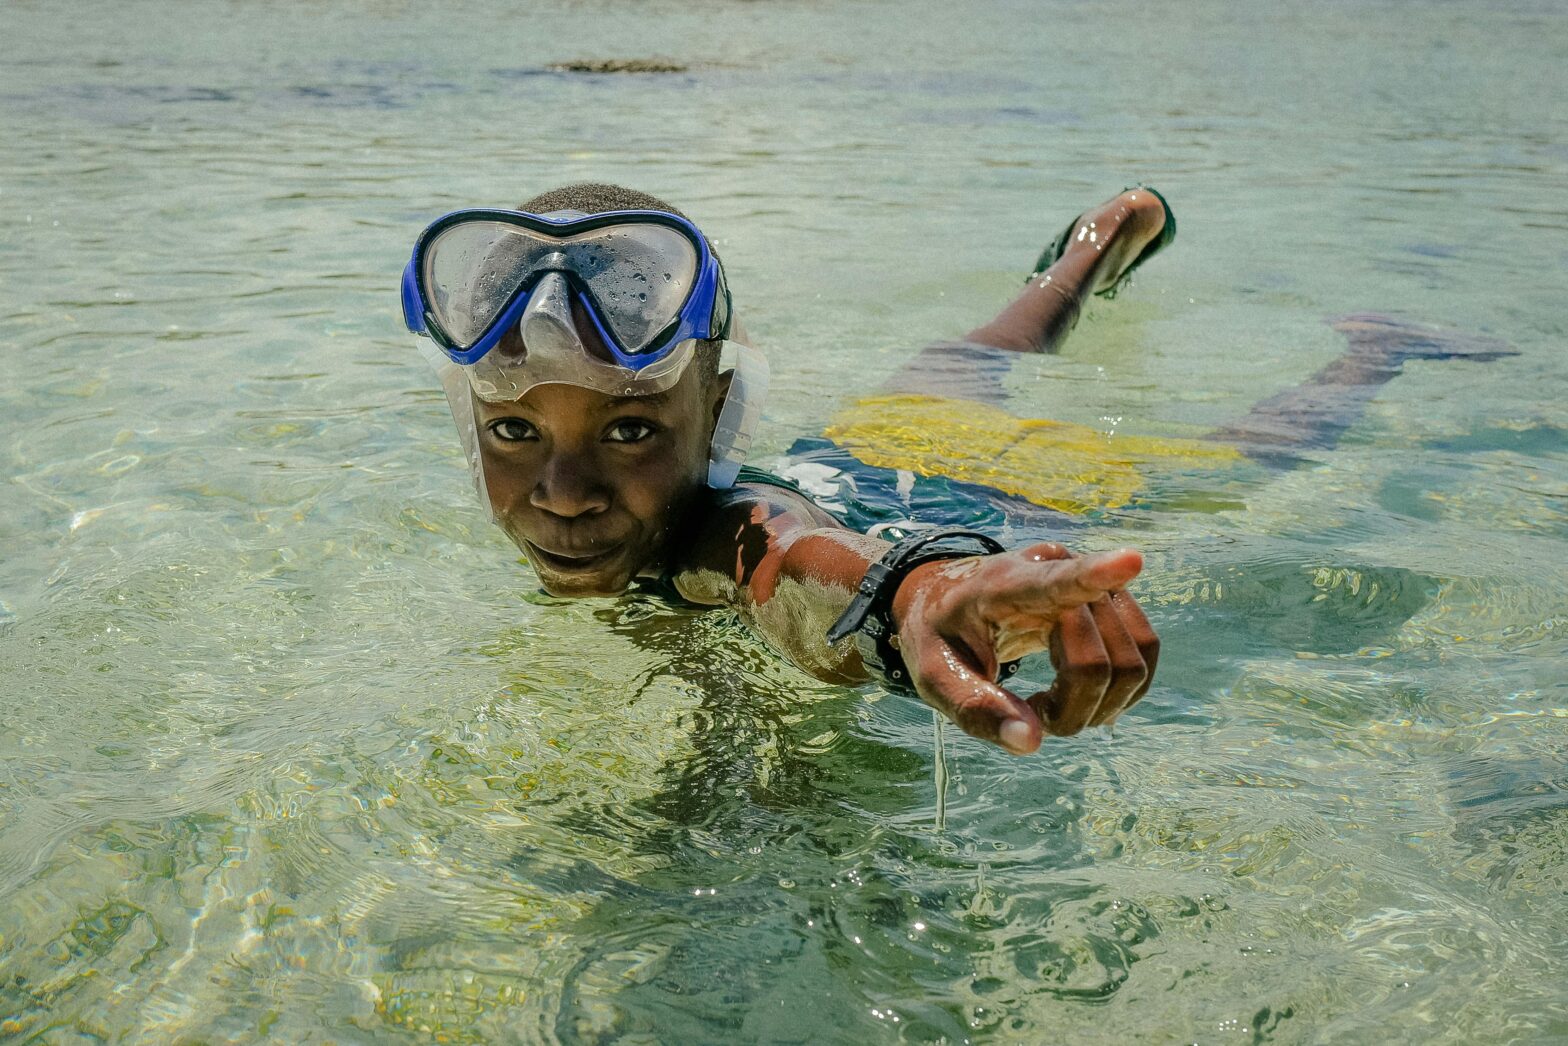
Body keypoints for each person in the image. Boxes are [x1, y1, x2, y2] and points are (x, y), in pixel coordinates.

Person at [401, 183, 1509, 756]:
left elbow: (785, 560)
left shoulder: (717, 527)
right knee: (975, 351)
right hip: (874, 444)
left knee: (1245, 455)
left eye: (631, 430)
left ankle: (1376, 350)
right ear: (468, 422)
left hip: (974, 496)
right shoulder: (640, 497)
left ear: (721, 407)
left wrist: (914, 598)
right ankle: (1095, 240)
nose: (563, 490)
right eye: (514, 433)